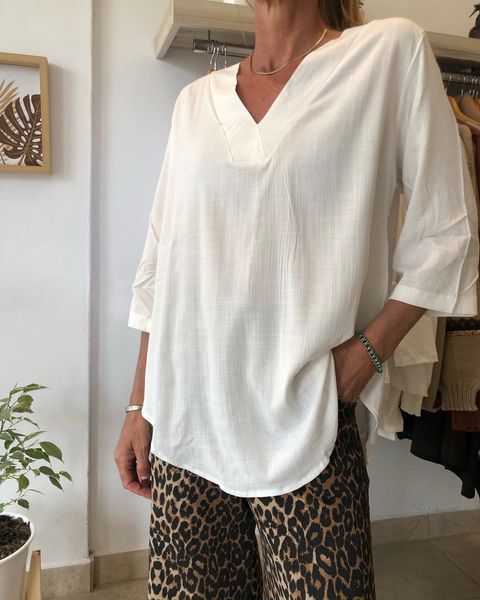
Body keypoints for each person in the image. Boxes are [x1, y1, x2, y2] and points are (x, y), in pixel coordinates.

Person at [114, 1, 479, 598]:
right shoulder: (195, 103)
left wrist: (365, 356)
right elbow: (160, 266)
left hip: (308, 416)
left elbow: (447, 232)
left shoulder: (386, 54)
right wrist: (138, 404)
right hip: (185, 421)